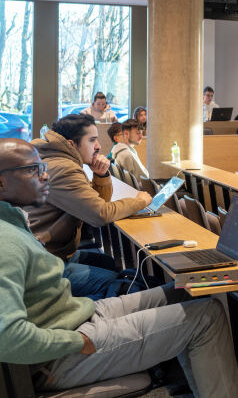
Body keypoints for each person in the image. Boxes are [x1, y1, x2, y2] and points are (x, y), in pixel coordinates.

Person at [0, 138, 238, 397]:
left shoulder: (13, 221)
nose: (45, 175)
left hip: (75, 316)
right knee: (206, 316)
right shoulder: (6, 242)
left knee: (186, 289)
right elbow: (8, 336)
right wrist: (77, 342)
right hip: (62, 354)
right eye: (33, 170)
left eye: (42, 166)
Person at [27, 114, 152, 299]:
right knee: (117, 282)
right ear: (71, 144)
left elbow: (94, 205)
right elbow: (99, 214)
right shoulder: (64, 168)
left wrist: (101, 176)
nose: (99, 146)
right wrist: (140, 200)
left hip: (48, 251)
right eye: (92, 140)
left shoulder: (56, 158)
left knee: (109, 262)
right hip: (43, 263)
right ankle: (84, 318)